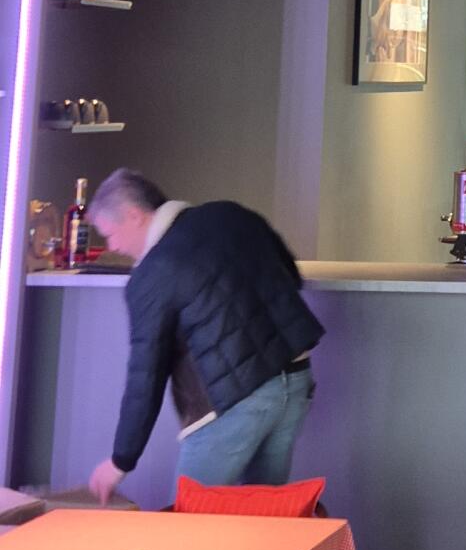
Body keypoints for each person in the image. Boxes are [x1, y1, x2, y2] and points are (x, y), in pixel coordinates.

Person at [86, 169, 323, 503]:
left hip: (236, 402)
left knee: (191, 521)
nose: (113, 246)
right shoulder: (231, 214)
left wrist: (120, 460)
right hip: (295, 381)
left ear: (134, 215)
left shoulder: (152, 274)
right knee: (266, 519)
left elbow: (146, 375)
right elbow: (290, 276)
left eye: (110, 234)